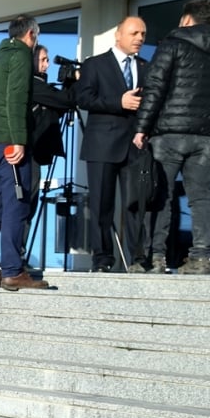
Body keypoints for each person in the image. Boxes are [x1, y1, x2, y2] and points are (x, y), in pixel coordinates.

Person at [133, 0, 210, 275]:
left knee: (162, 196)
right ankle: (202, 258)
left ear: (187, 19)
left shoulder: (172, 43)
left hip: (169, 133)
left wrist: (141, 128)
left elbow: (154, 87)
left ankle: (155, 258)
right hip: (207, 137)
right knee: (202, 197)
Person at [0, 14, 50, 291]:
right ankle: (12, 271)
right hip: (11, 145)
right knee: (16, 207)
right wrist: (19, 140)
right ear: (30, 35)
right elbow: (17, 100)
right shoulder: (20, 57)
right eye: (37, 38)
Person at [75, 16, 149, 272]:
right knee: (101, 205)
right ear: (118, 35)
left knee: (136, 204)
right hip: (102, 144)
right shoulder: (94, 65)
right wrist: (118, 102)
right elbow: (83, 98)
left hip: (136, 146)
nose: (140, 38)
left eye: (143, 34)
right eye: (134, 33)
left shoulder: (146, 66)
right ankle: (102, 259)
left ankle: (138, 259)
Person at [25, 44, 77, 251]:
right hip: (29, 153)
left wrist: (68, 86)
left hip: (35, 153)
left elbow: (62, 105)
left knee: (31, 202)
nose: (47, 64)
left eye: (47, 60)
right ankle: (17, 256)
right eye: (43, 59)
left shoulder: (40, 86)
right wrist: (73, 83)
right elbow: (64, 101)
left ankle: (18, 255)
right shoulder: (33, 85)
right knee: (27, 203)